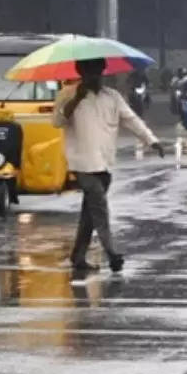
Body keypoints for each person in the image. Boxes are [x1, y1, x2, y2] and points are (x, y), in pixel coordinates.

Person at [54, 59, 164, 273]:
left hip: (105, 163)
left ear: (103, 72)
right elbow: (57, 122)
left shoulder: (112, 97)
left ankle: (78, 256)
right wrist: (76, 99)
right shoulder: (67, 94)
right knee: (99, 207)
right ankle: (112, 252)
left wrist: (151, 140)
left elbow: (131, 119)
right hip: (82, 162)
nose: (93, 76)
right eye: (88, 71)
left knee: (90, 212)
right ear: (80, 72)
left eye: (97, 71)